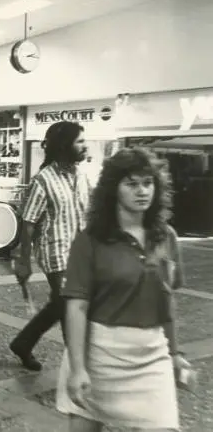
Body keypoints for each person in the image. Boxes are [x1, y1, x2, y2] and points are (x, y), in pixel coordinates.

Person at [56, 147, 193, 431]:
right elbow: (77, 306)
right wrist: (78, 368)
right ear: (113, 190)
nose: (142, 191)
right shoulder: (90, 240)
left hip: (152, 355)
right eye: (131, 184)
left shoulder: (166, 237)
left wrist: (176, 353)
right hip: (99, 354)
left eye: (147, 183)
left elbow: (167, 300)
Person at [9, 121, 90, 371]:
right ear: (65, 146)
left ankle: (23, 343)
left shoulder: (83, 177)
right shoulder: (43, 180)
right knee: (69, 305)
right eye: (80, 141)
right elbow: (28, 222)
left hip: (81, 253)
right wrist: (23, 261)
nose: (85, 146)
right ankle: (79, 366)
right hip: (55, 252)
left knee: (60, 303)